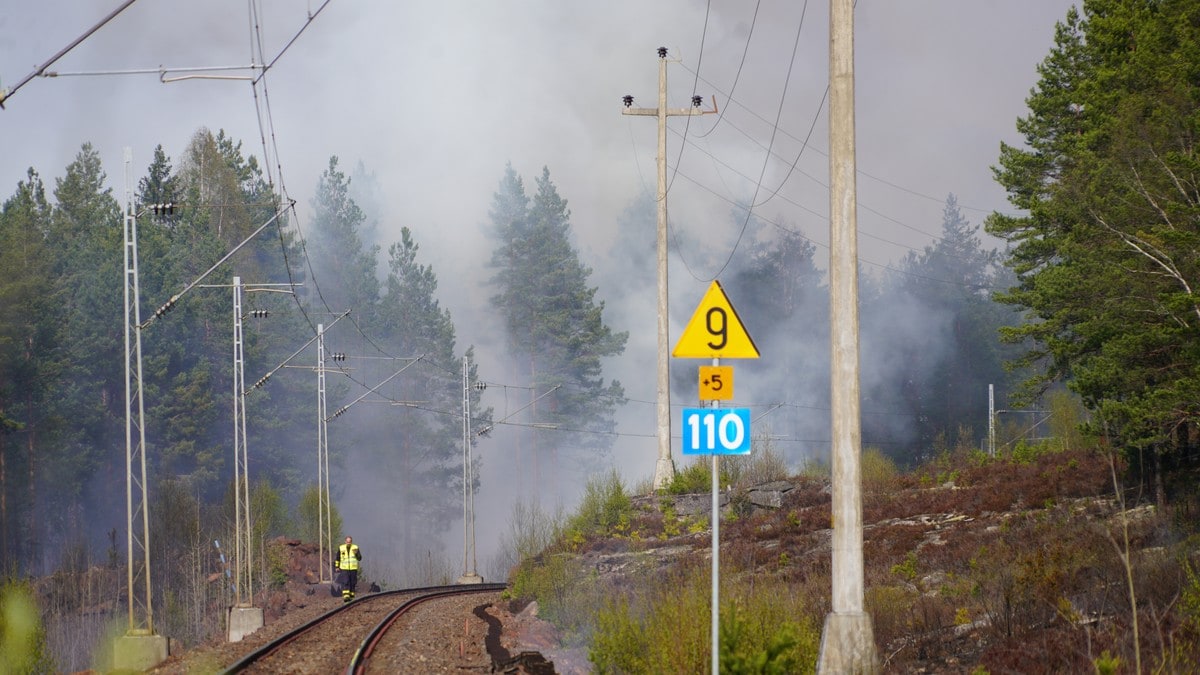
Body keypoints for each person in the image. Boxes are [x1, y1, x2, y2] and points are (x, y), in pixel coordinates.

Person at [334, 535, 362, 602]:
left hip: (353, 568)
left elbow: (359, 558)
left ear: (351, 542)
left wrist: (356, 554)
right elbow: (338, 558)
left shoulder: (355, 547)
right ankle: (346, 596)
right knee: (345, 581)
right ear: (345, 541)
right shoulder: (341, 548)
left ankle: (351, 595)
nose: (348, 543)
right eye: (347, 541)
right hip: (344, 568)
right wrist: (337, 567)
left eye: (350, 542)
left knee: (352, 582)